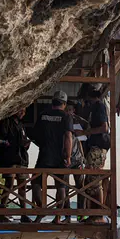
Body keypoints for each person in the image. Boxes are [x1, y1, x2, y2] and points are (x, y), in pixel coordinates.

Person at [30, 90, 73, 223]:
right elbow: (68, 136)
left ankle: (42, 210)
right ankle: (58, 217)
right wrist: (69, 156)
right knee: (61, 186)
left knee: (35, 182)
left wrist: (43, 145)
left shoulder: (43, 115)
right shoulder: (66, 117)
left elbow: (34, 135)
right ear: (64, 104)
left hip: (44, 155)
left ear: (52, 102)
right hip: (60, 156)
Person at [76, 88, 110, 222]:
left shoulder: (99, 106)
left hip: (98, 147)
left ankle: (98, 215)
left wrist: (86, 132)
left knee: (94, 180)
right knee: (90, 181)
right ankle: (93, 214)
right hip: (95, 147)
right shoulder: (96, 108)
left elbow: (104, 128)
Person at [0, 107, 32, 223]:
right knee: (9, 184)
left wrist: (26, 144)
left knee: (22, 187)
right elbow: (2, 139)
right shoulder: (5, 122)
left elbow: (23, 141)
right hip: (9, 158)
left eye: (24, 111)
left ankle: (23, 214)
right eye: (20, 110)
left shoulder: (21, 125)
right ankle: (2, 213)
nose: (22, 113)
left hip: (21, 159)